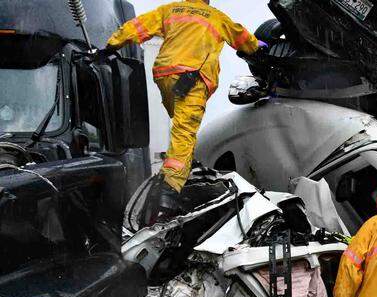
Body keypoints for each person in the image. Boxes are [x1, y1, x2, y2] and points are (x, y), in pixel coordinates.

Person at [103, 0, 266, 218]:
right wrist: (257, 47)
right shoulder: (215, 17)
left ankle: (183, 166)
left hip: (165, 76)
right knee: (185, 133)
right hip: (193, 79)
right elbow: (242, 38)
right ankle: (169, 190)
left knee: (180, 128)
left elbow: (137, 26)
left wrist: (111, 45)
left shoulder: (170, 10)